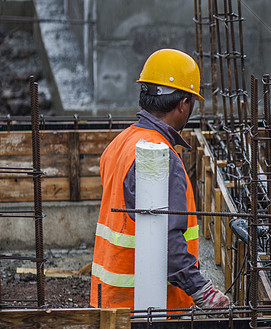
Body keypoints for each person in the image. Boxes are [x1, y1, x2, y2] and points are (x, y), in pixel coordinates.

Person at [91, 49, 230, 311]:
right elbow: (168, 240)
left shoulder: (120, 144)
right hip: (148, 308)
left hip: (111, 299)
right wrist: (201, 290)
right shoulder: (160, 156)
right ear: (183, 104)